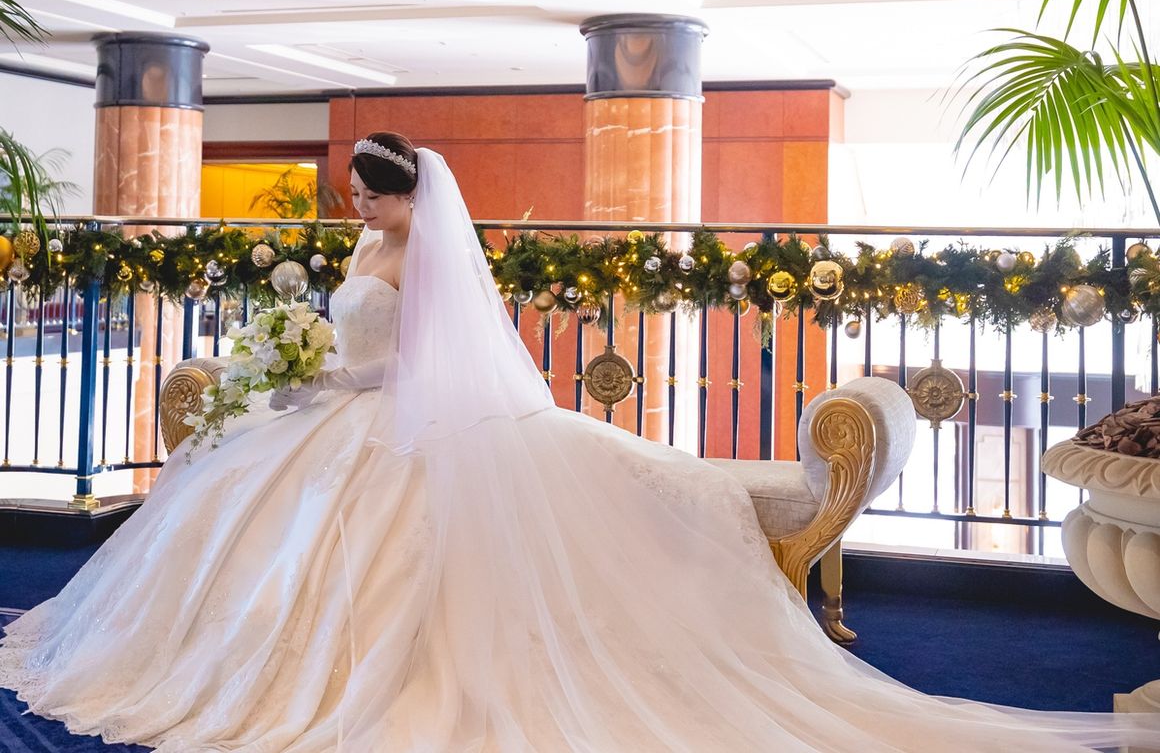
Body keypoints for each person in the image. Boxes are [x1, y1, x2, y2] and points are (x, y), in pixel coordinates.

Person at [1, 133, 1157, 752]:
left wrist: (328, 375)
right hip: (337, 411)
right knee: (249, 515)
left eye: (366, 194)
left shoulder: (422, 256)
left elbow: (411, 365)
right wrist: (304, 369)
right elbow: (355, 331)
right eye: (351, 194)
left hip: (380, 412)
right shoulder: (362, 249)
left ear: (406, 200)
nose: (352, 206)